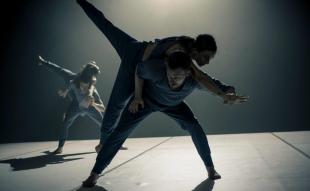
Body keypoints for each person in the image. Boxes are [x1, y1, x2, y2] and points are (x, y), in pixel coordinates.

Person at [76, 0, 238, 153]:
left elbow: (201, 78)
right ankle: (104, 143)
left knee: (107, 26)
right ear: (196, 51)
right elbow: (200, 78)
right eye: (206, 57)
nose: (207, 61)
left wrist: (224, 90)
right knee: (116, 107)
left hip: (135, 48)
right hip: (134, 62)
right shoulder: (179, 50)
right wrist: (138, 97)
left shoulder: (187, 49)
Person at [82, 51, 248, 187]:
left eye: (177, 77)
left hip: (174, 105)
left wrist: (229, 93)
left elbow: (221, 87)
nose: (172, 81)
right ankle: (95, 173)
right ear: (165, 68)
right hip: (145, 101)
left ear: (188, 73)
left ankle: (210, 168)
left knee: (194, 126)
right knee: (120, 132)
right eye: (169, 75)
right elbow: (139, 70)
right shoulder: (156, 69)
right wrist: (137, 96)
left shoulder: (195, 81)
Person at [37, 55, 105, 154]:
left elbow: (102, 108)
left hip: (88, 106)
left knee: (104, 123)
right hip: (76, 105)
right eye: (81, 85)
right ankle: (60, 147)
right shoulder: (73, 79)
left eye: (85, 87)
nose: (83, 87)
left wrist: (93, 103)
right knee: (65, 123)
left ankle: (114, 142)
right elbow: (59, 70)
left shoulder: (92, 89)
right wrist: (44, 62)